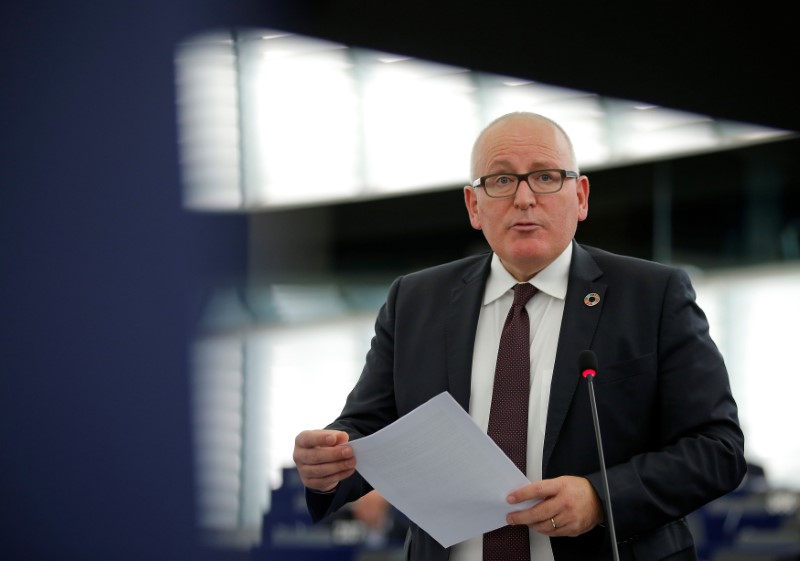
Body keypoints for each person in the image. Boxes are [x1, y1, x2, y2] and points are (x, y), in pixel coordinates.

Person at [293, 111, 746, 561]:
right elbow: (368, 430)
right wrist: (329, 463)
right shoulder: (414, 300)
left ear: (581, 196)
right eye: (502, 181)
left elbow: (717, 448)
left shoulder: (651, 295)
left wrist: (600, 497)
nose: (524, 198)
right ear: (474, 205)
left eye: (546, 177)